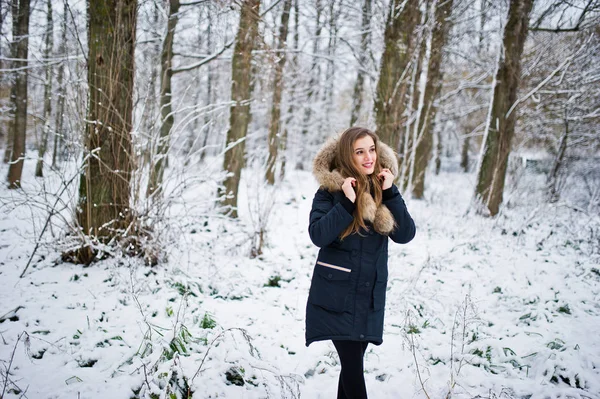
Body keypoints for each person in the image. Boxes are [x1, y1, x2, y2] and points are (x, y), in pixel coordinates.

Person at [305, 127, 416, 399]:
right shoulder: (330, 191)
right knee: (353, 369)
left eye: (371, 149)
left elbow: (405, 234)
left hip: (367, 297)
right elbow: (318, 235)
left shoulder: (383, 189)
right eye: (359, 152)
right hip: (337, 297)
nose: (368, 157)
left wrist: (390, 194)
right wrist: (345, 202)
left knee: (351, 369)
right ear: (347, 155)